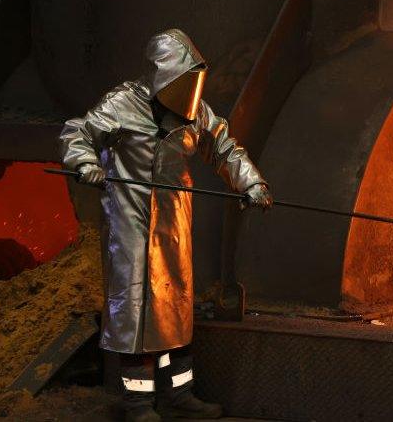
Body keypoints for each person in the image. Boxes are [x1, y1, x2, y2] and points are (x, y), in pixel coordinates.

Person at [59, 29, 272, 422]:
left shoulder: (196, 112)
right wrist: (85, 164)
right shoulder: (121, 104)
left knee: (174, 306)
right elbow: (78, 132)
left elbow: (223, 147)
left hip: (173, 222)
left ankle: (179, 395)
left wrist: (251, 182)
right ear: (162, 77)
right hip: (129, 221)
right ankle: (138, 403)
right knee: (135, 309)